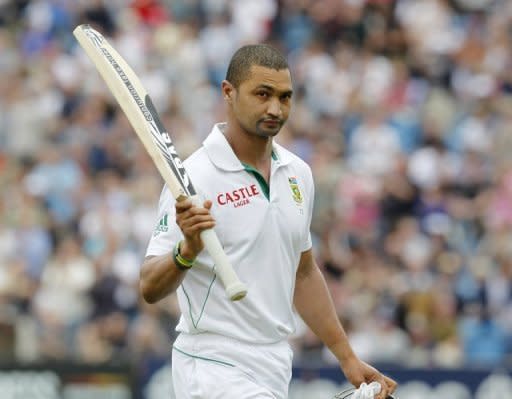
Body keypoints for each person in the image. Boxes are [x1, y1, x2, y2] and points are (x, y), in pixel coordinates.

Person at [140, 44, 397, 399]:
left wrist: (347, 357)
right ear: (228, 92)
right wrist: (188, 250)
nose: (275, 108)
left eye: (285, 97)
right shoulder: (192, 178)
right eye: (262, 94)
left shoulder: (298, 174)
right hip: (212, 361)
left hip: (275, 361)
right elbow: (150, 286)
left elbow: (303, 273)